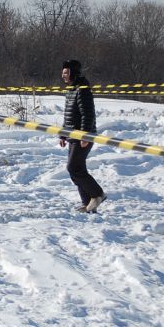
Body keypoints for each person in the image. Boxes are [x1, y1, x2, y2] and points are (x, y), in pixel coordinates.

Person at [60, 59, 106, 213]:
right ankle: (88, 204)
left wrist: (85, 136)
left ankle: (97, 194)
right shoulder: (71, 89)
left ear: (73, 72)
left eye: (66, 72)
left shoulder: (82, 89)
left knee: (73, 167)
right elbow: (69, 115)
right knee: (77, 169)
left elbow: (88, 114)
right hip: (72, 135)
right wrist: (63, 135)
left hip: (83, 136)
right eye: (63, 72)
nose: (63, 75)